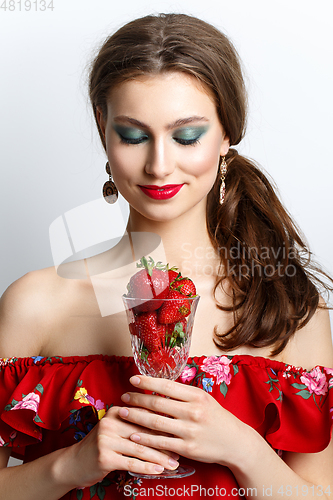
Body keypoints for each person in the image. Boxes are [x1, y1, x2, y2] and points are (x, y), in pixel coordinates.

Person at [0, 12, 332, 500]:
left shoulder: (289, 308)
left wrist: (241, 448)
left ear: (225, 136)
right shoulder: (37, 302)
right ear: (102, 128)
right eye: (133, 136)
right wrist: (74, 464)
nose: (158, 165)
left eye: (187, 135)